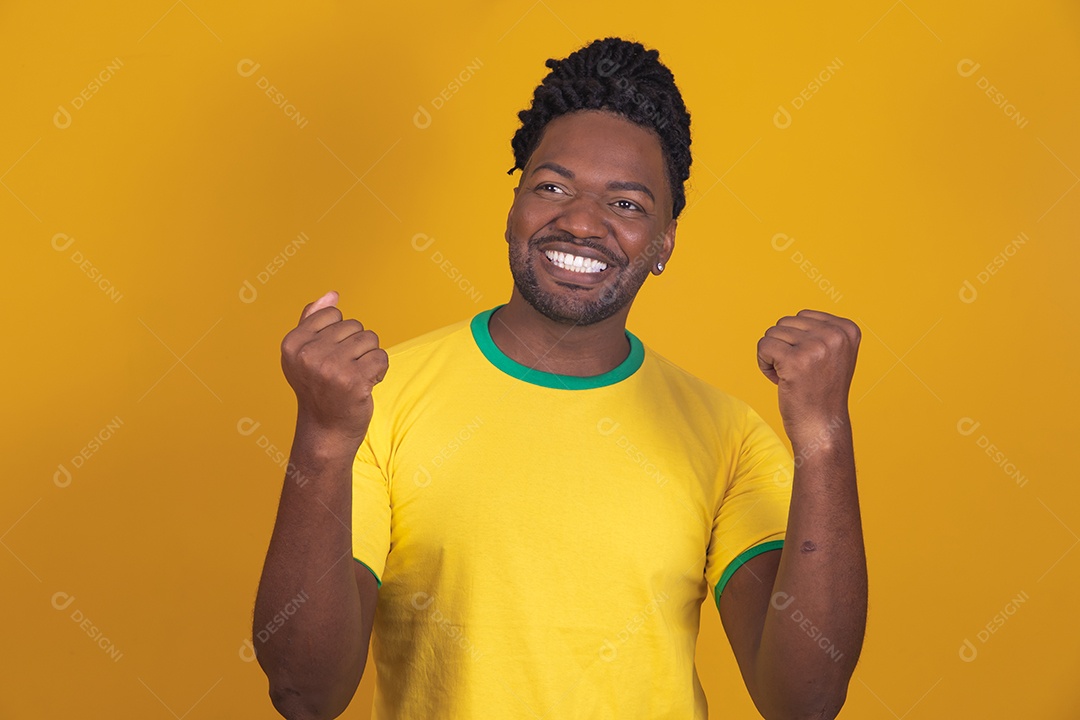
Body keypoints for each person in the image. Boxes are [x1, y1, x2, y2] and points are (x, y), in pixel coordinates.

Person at [253, 37, 867, 720]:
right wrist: (324, 439)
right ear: (513, 205)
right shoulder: (377, 403)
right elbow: (303, 693)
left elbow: (804, 700)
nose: (580, 222)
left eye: (628, 204)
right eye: (552, 187)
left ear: (664, 244)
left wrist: (824, 433)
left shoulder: (728, 436)